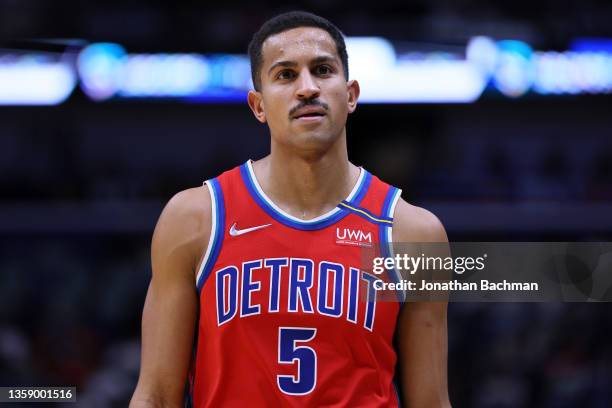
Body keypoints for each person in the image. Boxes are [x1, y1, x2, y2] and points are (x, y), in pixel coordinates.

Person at [130, 11, 450, 408]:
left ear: (350, 95)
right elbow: (156, 395)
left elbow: (431, 402)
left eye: (322, 70)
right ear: (258, 105)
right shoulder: (196, 218)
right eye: (285, 75)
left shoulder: (413, 233)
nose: (307, 88)